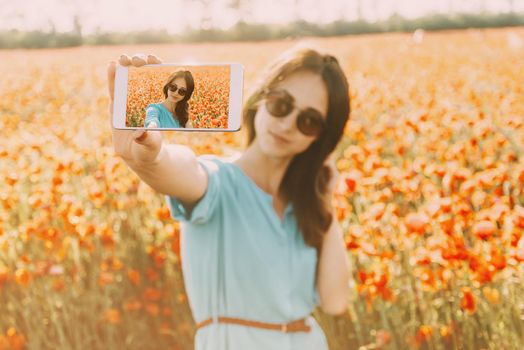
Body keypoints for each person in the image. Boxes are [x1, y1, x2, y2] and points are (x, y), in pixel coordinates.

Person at [107, 47, 351, 350]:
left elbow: (336, 301)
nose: (288, 123)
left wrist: (325, 200)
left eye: (309, 120)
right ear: (261, 97)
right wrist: (148, 159)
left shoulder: (304, 206)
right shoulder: (219, 182)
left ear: (321, 137)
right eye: (281, 104)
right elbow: (183, 168)